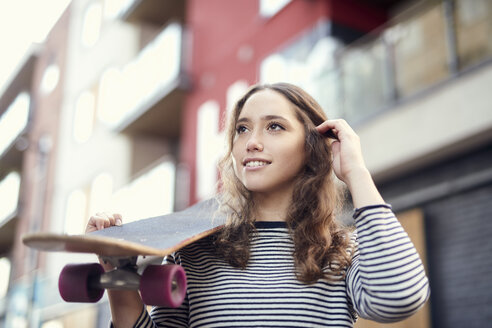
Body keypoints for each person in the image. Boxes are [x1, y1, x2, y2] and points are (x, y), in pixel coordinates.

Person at [87, 82, 430, 328]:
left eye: (275, 127)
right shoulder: (193, 252)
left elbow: (400, 298)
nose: (252, 142)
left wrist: (355, 171)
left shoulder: (341, 251)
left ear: (312, 146)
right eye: (242, 129)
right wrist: (120, 277)